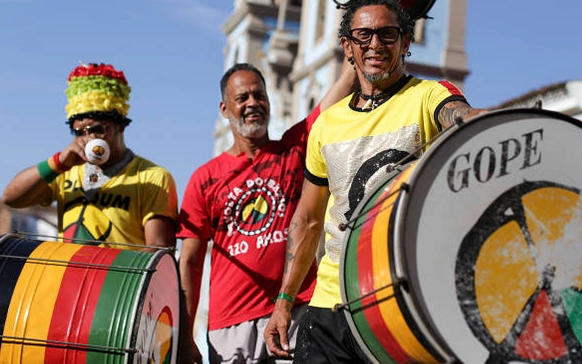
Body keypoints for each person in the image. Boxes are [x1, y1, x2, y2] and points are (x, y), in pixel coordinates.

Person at [264, 0, 487, 363]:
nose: (375, 45)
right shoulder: (327, 124)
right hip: (328, 310)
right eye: (363, 36)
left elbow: (457, 113)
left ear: (406, 41)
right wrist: (284, 300)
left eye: (387, 34)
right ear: (347, 47)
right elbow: (308, 221)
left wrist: (482, 121)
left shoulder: (428, 95)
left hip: (400, 305)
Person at [177, 60, 357, 364]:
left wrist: (353, 39)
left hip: (295, 311)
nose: (253, 104)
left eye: (259, 95)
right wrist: (184, 336)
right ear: (224, 109)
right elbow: (191, 262)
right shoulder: (204, 178)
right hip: (229, 325)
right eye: (242, 98)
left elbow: (344, 86)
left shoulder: (293, 149)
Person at [1, 62, 178, 249]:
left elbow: (158, 248)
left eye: (96, 129)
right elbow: (11, 198)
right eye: (78, 132)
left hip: (117, 277)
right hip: (69, 275)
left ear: (120, 126)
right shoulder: (66, 170)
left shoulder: (153, 177)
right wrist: (58, 162)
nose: (87, 137)